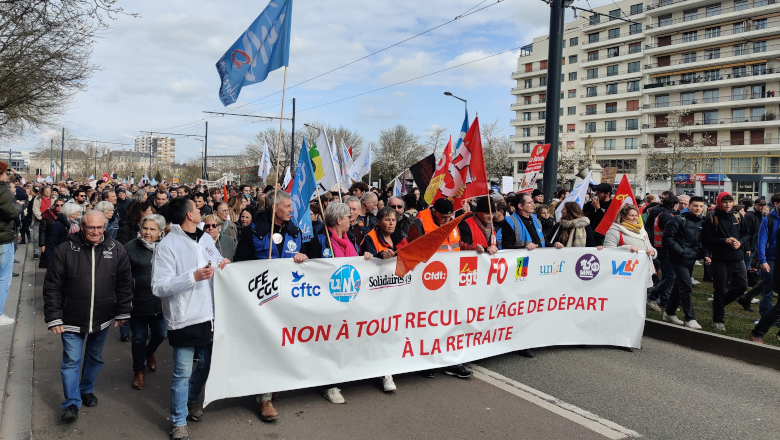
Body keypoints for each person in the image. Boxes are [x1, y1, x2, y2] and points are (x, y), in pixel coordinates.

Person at [43, 210, 133, 422]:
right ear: (82, 227)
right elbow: (52, 286)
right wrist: (54, 316)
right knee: (71, 360)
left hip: (102, 317)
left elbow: (124, 283)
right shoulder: (65, 250)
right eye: (90, 227)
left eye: (99, 227)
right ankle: (71, 403)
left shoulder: (116, 249)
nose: (95, 231)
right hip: (71, 318)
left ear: (105, 227)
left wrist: (123, 311)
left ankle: (86, 389)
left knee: (94, 357)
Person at [152, 197, 229, 440]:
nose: (201, 210)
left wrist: (223, 264)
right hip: (184, 317)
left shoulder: (205, 238)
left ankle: (192, 399)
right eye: (196, 208)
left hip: (210, 315)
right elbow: (158, 286)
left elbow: (215, 262)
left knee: (206, 364)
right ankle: (178, 421)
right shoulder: (167, 246)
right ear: (188, 215)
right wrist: (192, 277)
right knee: (182, 372)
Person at [233, 191, 306, 422]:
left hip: (287, 300)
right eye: (287, 206)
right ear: (275, 209)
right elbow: (239, 265)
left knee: (282, 343)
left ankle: (273, 382)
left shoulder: (296, 232)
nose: (291, 210)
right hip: (261, 299)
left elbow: (308, 263)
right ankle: (264, 398)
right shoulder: (252, 231)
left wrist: (304, 257)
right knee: (264, 345)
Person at [408, 198, 476, 375]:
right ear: (435, 212)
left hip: (450, 280)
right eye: (444, 217)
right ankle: (426, 362)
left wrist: (473, 248)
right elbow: (413, 248)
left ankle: (451, 361)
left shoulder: (452, 222)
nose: (447, 221)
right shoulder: (420, 223)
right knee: (428, 322)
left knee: (450, 321)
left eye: (449, 217)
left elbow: (456, 245)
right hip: (428, 280)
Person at [125, 214, 167, 390]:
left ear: (160, 232)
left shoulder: (167, 247)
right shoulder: (130, 247)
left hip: (161, 303)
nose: (147, 232)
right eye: (145, 228)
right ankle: (139, 371)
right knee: (139, 339)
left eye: (152, 229)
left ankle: (149, 354)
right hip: (138, 303)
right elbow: (122, 277)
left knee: (161, 334)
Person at [703, 192, 750, 331]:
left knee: (742, 286)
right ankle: (718, 320)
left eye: (730, 201)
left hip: (737, 258)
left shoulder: (738, 216)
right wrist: (724, 241)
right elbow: (706, 240)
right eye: (725, 202)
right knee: (720, 290)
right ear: (719, 202)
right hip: (720, 260)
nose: (728, 204)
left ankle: (716, 304)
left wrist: (740, 243)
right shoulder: (711, 218)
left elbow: (746, 234)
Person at [662, 196, 706, 329]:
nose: (698, 208)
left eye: (700, 206)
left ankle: (669, 313)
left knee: (679, 285)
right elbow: (668, 239)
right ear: (689, 206)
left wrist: (702, 254)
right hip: (677, 258)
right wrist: (682, 251)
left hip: (691, 258)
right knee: (686, 285)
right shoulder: (677, 219)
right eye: (695, 205)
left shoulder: (702, 222)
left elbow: (701, 241)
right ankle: (690, 318)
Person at [603, 204, 656, 289]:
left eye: (636, 215)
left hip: (642, 271)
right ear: (623, 217)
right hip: (624, 274)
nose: (635, 218)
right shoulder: (614, 231)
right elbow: (608, 252)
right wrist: (627, 248)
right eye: (632, 215)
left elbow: (649, 247)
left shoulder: (642, 230)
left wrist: (653, 252)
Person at [748, 193, 780, 318]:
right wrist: (763, 260)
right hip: (771, 259)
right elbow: (761, 242)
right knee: (768, 291)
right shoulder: (768, 220)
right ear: (776, 204)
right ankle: (764, 317)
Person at [646, 194, 679, 311]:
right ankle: (652, 297)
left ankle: (663, 300)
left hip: (660, 246)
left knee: (666, 275)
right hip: (664, 248)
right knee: (671, 277)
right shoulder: (667, 215)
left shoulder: (660, 213)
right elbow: (673, 232)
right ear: (674, 205)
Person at [0, 163, 23, 325]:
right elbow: (11, 212)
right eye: (6, 172)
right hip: (2, 240)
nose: (8, 175)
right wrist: (18, 206)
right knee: (3, 278)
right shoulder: (3, 191)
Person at [32, 185, 53, 259]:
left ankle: (45, 251)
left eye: (49, 191)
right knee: (36, 237)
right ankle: (36, 251)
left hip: (49, 219)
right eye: (46, 191)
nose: (48, 192)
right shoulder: (37, 198)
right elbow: (35, 209)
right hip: (39, 219)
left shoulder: (53, 198)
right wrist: (41, 217)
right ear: (43, 191)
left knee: (47, 236)